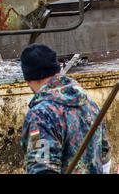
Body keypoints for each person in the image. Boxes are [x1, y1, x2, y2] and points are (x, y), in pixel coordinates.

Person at [20, 43, 111, 174]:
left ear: (28, 79)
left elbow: (41, 169)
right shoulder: (89, 103)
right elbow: (105, 157)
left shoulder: (40, 115)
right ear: (57, 71)